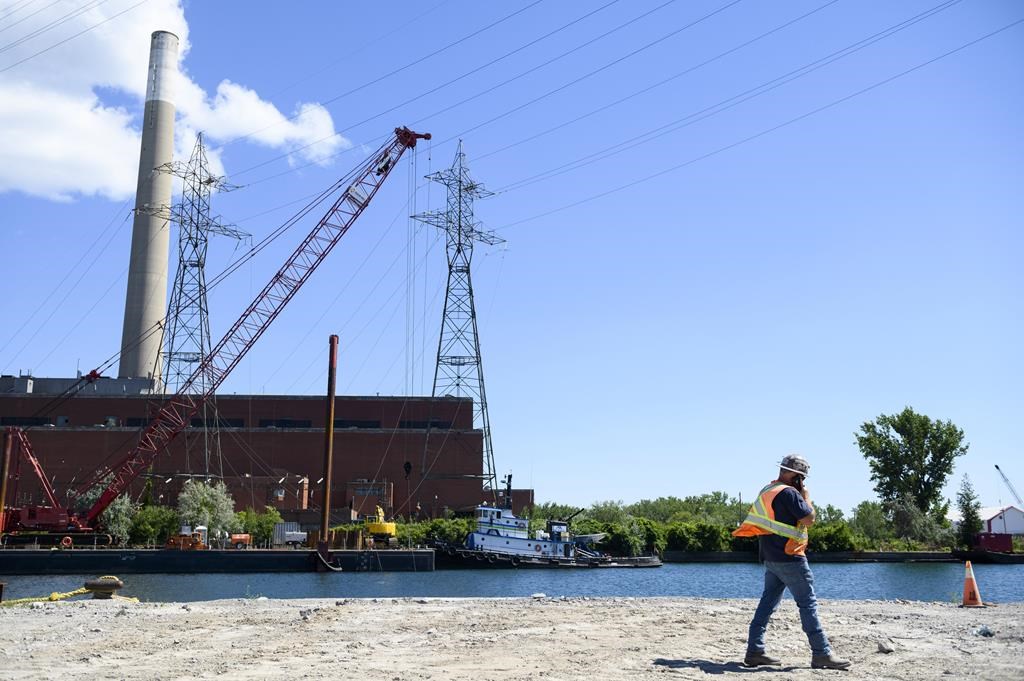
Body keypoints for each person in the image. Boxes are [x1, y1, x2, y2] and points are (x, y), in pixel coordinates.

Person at [732, 454, 852, 671]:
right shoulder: (790, 493)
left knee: (767, 604)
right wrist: (806, 496)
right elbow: (809, 519)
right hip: (791, 557)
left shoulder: (768, 490)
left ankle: (754, 651)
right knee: (808, 604)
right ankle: (822, 653)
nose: (802, 481)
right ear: (797, 476)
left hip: (771, 557)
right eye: (801, 478)